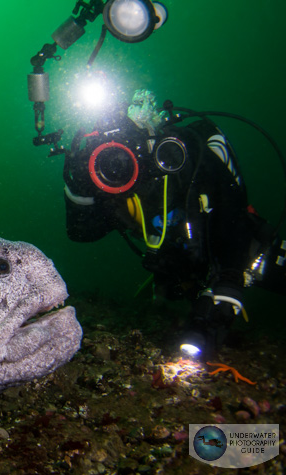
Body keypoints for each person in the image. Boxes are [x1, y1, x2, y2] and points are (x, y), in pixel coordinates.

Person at [62, 89, 285, 357]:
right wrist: (77, 186)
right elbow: (81, 233)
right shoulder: (111, 188)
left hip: (233, 245)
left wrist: (229, 284)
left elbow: (232, 214)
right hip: (179, 266)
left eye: (126, 150)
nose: (118, 165)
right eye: (108, 158)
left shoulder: (180, 154)